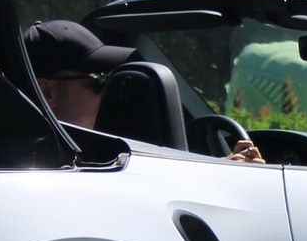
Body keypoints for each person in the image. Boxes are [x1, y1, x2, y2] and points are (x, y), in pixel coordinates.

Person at [23, 19, 262, 162]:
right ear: (47, 93)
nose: (112, 90)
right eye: (100, 80)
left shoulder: (93, 153)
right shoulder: (51, 165)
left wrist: (224, 168)